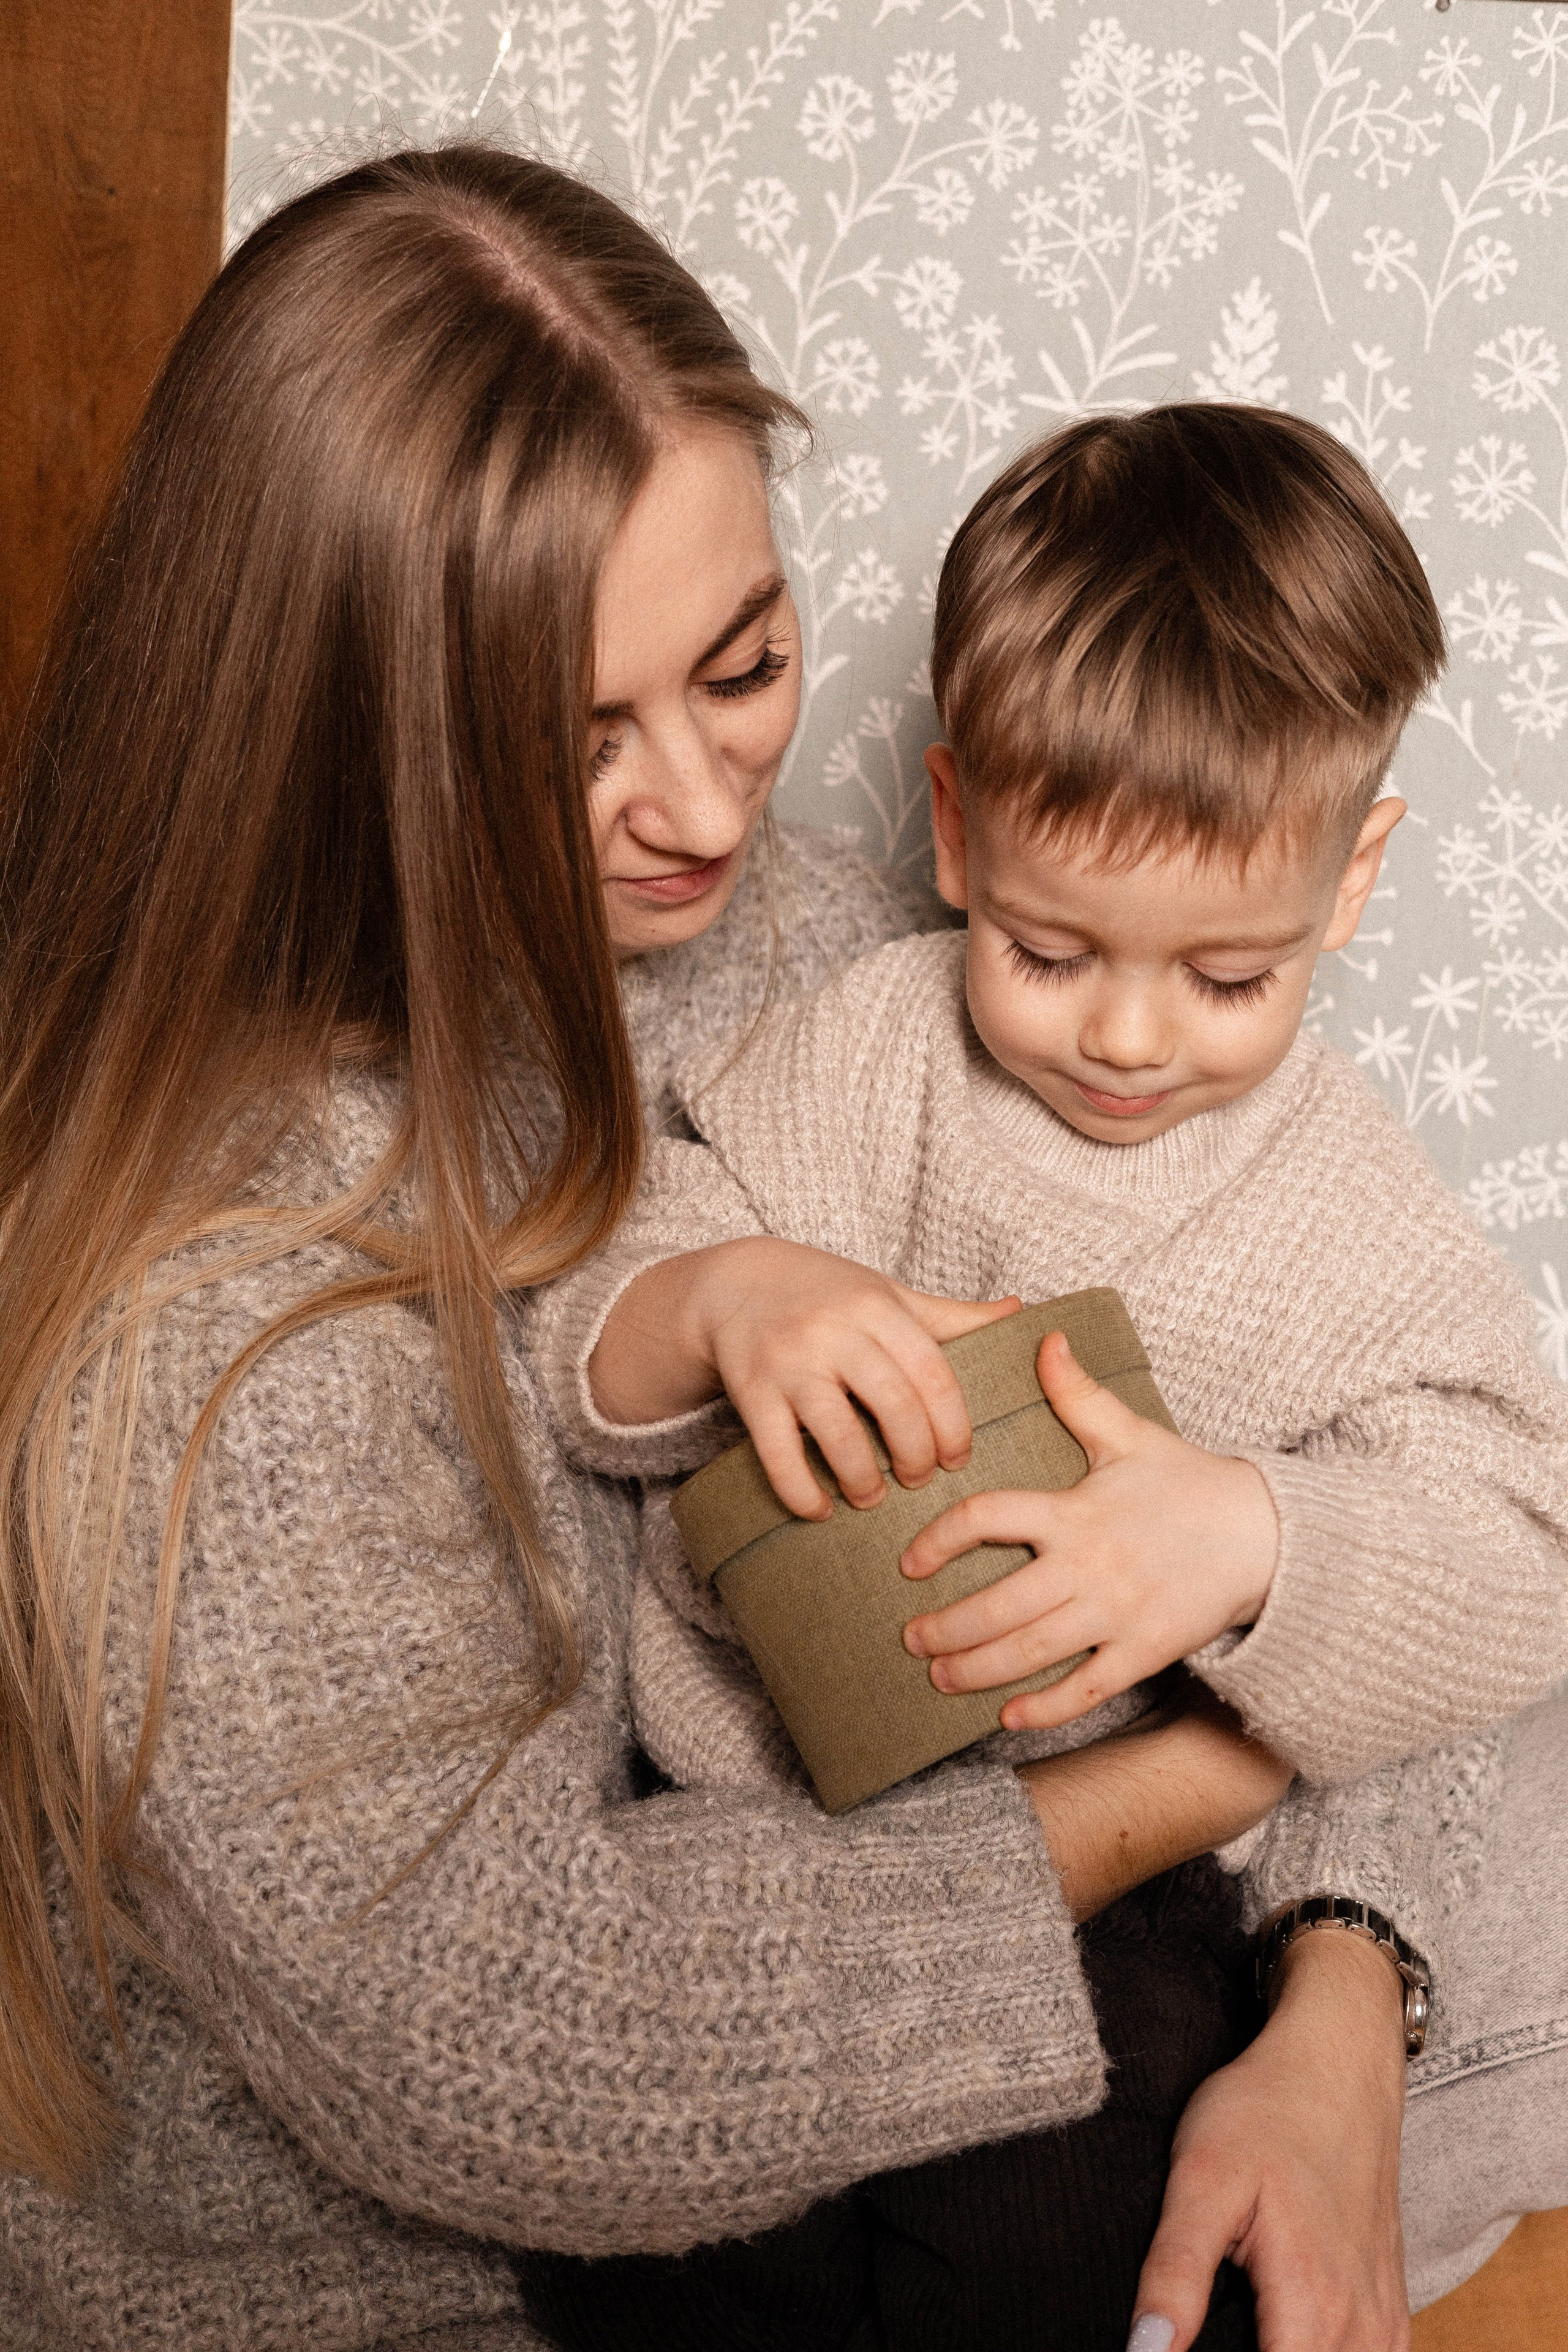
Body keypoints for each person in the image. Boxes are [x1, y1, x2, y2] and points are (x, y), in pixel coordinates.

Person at [0, 143, 1558, 2352]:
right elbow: (524, 2058)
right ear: (339, 738)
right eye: (573, 740)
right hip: (459, 2254)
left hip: (1024, 1896)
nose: (716, 812)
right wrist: (1237, 1758)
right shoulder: (217, 1297)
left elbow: (1423, 1485)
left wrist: (1343, 2005)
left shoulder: (813, 949)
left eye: (746, 665)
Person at [532, 408, 1568, 2343]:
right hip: (745, 1822)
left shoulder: (1349, 1206)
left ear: (1353, 882)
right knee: (670, 2255)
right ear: (953, 823)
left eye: (1228, 977)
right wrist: (726, 1298)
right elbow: (608, 1263)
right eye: (1044, 943)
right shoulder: (866, 1055)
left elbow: (1519, 1536)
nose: (1125, 1035)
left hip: (1116, 1886)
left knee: (1071, 2237)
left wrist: (1257, 1539)